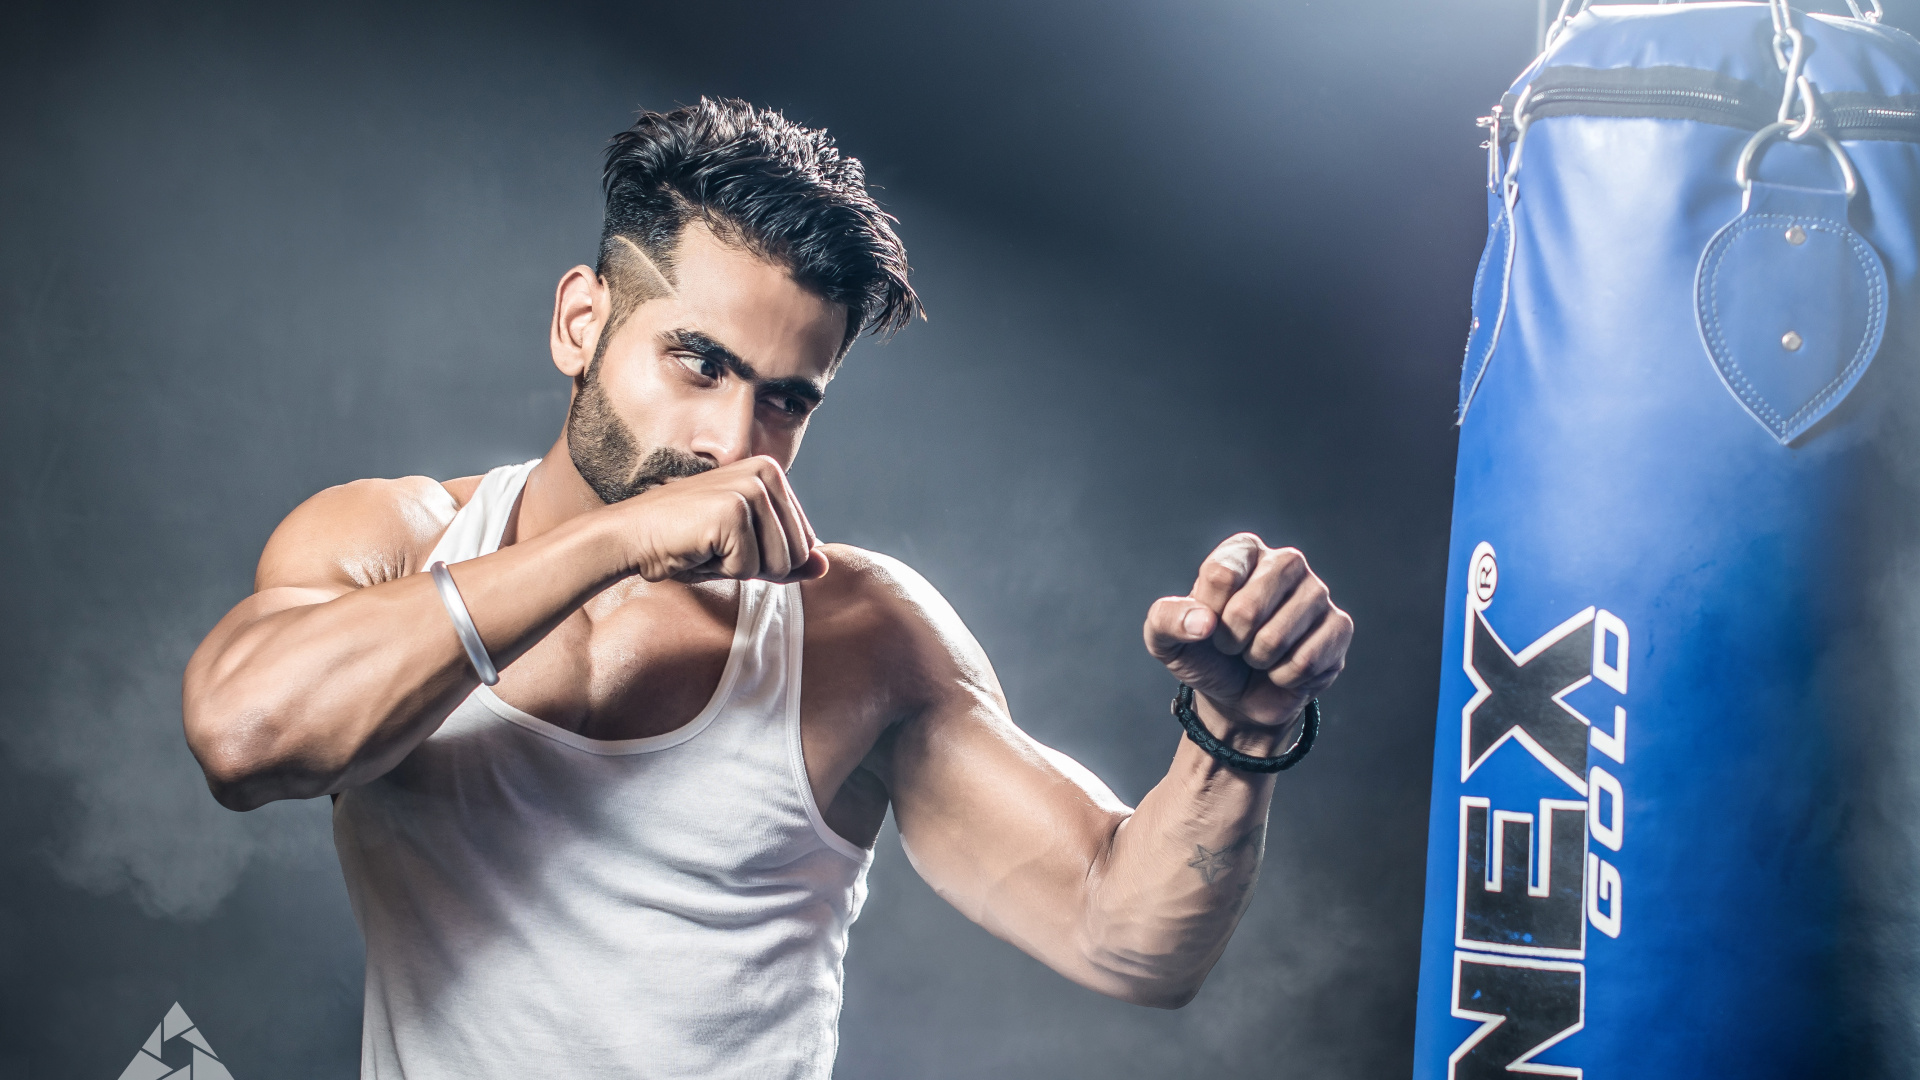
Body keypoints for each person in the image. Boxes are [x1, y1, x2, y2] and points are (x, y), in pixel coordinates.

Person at [181, 97, 1353, 1079]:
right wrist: (612, 544)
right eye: (699, 363)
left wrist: (1237, 737)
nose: (734, 440)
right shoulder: (397, 539)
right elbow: (247, 741)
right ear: (581, 323)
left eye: (787, 400)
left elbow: (1129, 940)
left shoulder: (858, 632)